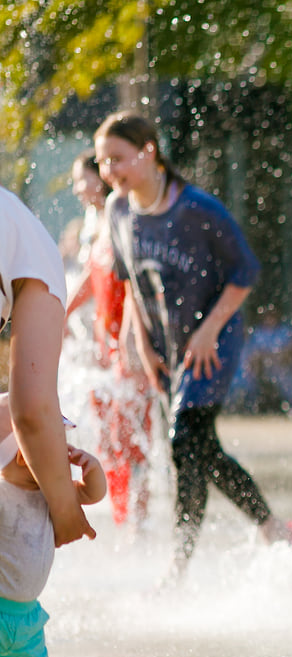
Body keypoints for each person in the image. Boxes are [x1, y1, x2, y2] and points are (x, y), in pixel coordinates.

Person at [94, 111, 292, 580]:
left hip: (212, 343)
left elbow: (245, 272)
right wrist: (139, 343)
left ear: (149, 153)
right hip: (165, 346)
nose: (110, 173)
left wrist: (209, 330)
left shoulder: (199, 209)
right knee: (198, 448)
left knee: (185, 440)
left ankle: (177, 567)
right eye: (104, 163)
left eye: (118, 160)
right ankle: (272, 527)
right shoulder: (118, 210)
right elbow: (129, 284)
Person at [0, 186, 98, 657]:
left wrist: (84, 480)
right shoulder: (29, 239)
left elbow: (90, 487)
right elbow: (34, 410)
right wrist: (65, 511)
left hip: (23, 607)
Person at [0, 397, 106, 657]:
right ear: (25, 457)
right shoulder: (4, 495)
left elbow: (91, 495)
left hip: (28, 615)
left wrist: (92, 469)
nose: (65, 455)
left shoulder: (51, 494)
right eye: (55, 446)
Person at [63, 150, 153, 526]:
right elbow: (93, 278)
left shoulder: (124, 219)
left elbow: (133, 281)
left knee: (132, 436)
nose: (76, 188)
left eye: (80, 179)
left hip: (129, 345)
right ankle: (123, 517)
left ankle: (139, 520)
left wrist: (134, 342)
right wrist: (64, 312)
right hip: (105, 346)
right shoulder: (98, 224)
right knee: (110, 437)